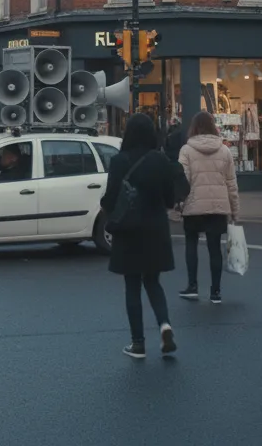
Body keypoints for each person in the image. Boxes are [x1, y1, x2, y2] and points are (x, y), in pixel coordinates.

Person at [100, 113, 186, 359]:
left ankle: (138, 343)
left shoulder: (119, 161)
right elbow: (170, 200)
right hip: (155, 229)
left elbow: (111, 197)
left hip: (128, 231)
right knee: (153, 282)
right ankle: (165, 324)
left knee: (132, 285)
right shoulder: (159, 160)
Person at [177, 111, 240, 304]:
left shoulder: (186, 150)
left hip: (194, 204)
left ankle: (193, 286)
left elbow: (183, 181)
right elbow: (231, 183)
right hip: (218, 206)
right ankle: (216, 291)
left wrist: (179, 204)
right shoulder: (224, 150)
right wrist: (235, 211)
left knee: (191, 244)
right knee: (214, 249)